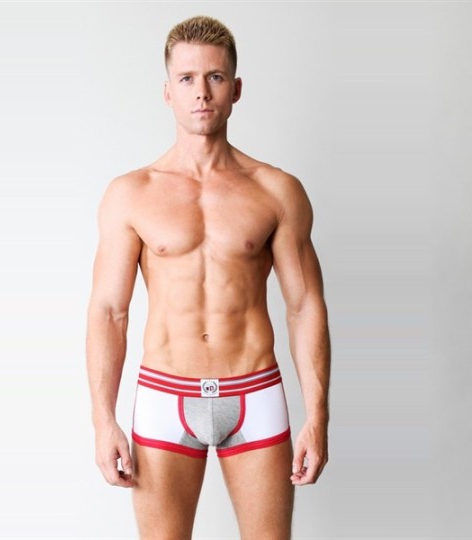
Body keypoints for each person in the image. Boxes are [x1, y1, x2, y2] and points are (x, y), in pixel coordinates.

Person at [86, 15, 331, 539]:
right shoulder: (131, 194)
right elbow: (110, 311)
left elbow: (304, 305)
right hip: (165, 395)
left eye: (215, 77)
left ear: (236, 89)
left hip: (255, 393)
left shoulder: (276, 191)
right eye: (187, 79)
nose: (201, 92)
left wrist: (318, 416)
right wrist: (103, 419)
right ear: (167, 92)